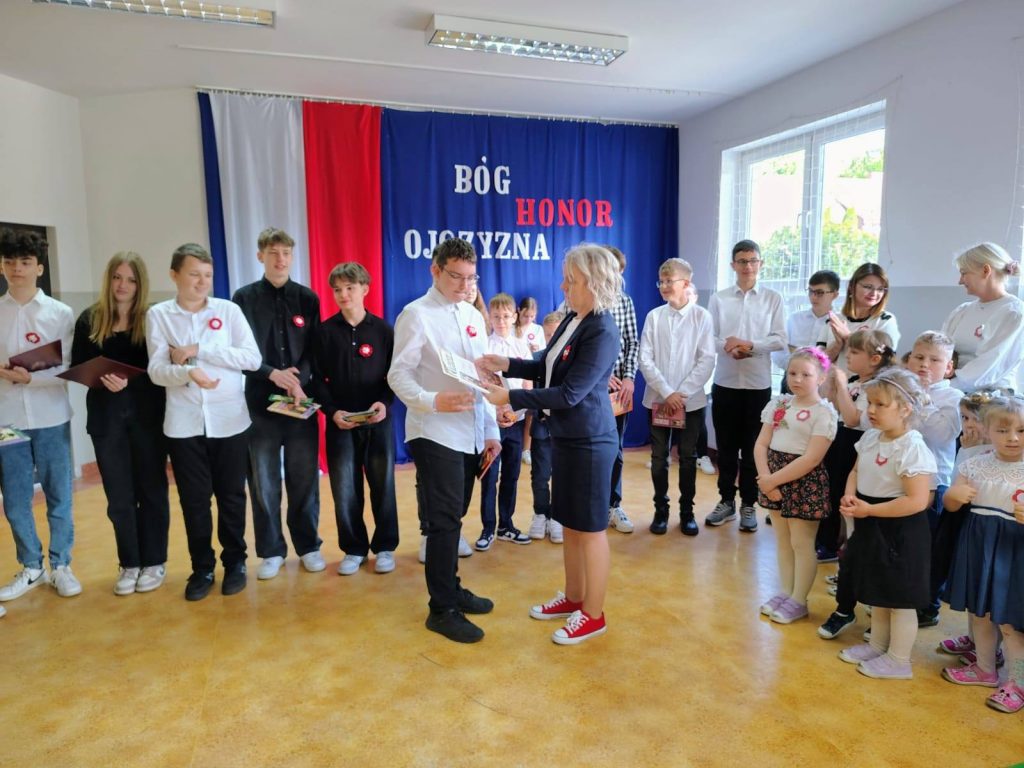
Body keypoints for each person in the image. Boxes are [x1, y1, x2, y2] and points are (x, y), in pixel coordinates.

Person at [481, 244, 622, 645]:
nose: (563, 286)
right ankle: (574, 597)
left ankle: (593, 614)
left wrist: (511, 397)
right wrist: (506, 364)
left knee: (590, 530)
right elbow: (546, 366)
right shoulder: (574, 319)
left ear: (593, 283)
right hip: (568, 437)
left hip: (591, 441)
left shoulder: (602, 329)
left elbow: (570, 393)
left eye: (571, 280)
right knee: (572, 524)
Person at [387, 237, 500, 644]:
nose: (465, 286)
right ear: (435, 271)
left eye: (472, 278)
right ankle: (441, 609)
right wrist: (432, 400)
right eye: (456, 277)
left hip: (470, 432)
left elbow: (483, 380)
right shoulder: (415, 315)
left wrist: (490, 431)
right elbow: (398, 375)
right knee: (443, 522)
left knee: (455, 517)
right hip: (434, 431)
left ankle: (451, 588)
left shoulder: (472, 315)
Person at [147, 243, 261, 601]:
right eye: (194, 274)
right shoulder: (159, 315)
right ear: (174, 275)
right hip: (184, 425)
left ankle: (235, 562)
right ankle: (202, 568)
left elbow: (252, 359)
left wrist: (200, 350)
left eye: (207, 275)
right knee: (194, 501)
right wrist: (187, 373)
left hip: (230, 420)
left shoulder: (228, 311)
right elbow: (156, 371)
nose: (201, 282)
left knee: (231, 496)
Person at [70, 252, 169, 595]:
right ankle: (129, 563)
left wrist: (133, 381)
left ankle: (154, 561)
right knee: (119, 497)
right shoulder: (90, 319)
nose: (122, 285)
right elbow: (79, 365)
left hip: (148, 418)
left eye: (130, 279)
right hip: (106, 420)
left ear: (140, 284)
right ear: (108, 280)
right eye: (117, 277)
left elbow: (161, 369)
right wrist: (100, 379)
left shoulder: (152, 318)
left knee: (152, 491)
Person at [231, 228, 324, 580]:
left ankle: (309, 546)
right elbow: (239, 353)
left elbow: (315, 350)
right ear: (260, 256)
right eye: (273, 253)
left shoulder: (307, 298)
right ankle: (271, 551)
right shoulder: (243, 299)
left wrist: (299, 381)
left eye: (286, 252)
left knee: (304, 479)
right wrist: (272, 374)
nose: (280, 259)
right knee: (264, 482)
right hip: (260, 406)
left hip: (300, 403)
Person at [836, 367, 936, 679]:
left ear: (905, 409)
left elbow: (917, 500)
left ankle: (899, 660)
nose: (871, 410)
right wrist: (850, 495)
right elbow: (856, 471)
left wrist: (870, 510)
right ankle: (878, 645)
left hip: (900, 530)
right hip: (871, 519)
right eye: (870, 403)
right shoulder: (870, 438)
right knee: (879, 590)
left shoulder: (912, 447)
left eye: (880, 404)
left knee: (900, 600)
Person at [0, 228, 80, 602]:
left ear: (39, 268)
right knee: (15, 499)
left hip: (52, 416)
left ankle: (61, 564)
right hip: (6, 421)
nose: (17, 268)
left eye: (25, 262)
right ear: (1, 266)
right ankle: (31, 566)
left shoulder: (60, 313)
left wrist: (29, 378)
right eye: (10, 261)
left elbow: (68, 367)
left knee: (58, 494)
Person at [942, 396, 1024, 713]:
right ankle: (985, 669)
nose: (1013, 438)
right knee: (981, 614)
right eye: (1003, 430)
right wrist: (953, 495)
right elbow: (951, 505)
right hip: (978, 546)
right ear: (987, 431)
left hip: (1014, 553)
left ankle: (1017, 683)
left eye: (1021, 430)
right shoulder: (975, 463)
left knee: (1011, 624)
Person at [314, 262, 397, 576]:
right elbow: (317, 380)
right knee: (345, 489)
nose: (343, 294)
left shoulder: (383, 331)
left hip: (377, 422)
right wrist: (331, 411)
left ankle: (385, 546)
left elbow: (395, 375)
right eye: (337, 289)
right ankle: (354, 548)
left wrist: (384, 403)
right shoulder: (324, 332)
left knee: (383, 485)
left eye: (350, 288)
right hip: (341, 423)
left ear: (365, 289)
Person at [817, 330, 895, 639]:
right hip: (845, 444)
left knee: (864, 527)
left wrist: (840, 384)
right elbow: (829, 402)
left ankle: (869, 595)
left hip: (858, 444)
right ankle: (846, 580)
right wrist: (836, 382)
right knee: (843, 510)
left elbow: (852, 419)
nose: (848, 357)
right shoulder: (853, 381)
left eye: (854, 353)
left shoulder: (876, 389)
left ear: (874, 359)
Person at [706, 239, 787, 532]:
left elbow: (780, 339)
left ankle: (749, 504)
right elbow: (710, 338)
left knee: (754, 449)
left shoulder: (773, 298)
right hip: (725, 382)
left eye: (753, 261)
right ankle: (726, 501)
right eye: (742, 261)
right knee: (726, 448)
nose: (748, 266)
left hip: (758, 386)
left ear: (760, 264)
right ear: (733, 265)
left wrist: (750, 345)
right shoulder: (719, 298)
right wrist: (730, 347)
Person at [755, 348, 837, 624]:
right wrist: (765, 479)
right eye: (792, 373)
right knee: (782, 540)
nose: (797, 379)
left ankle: (799, 599)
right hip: (772, 477)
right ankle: (786, 592)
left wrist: (772, 480)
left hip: (803, 481)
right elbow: (761, 444)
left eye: (806, 374)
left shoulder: (824, 413)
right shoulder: (779, 404)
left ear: (821, 378)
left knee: (801, 543)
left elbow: (812, 458)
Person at [637, 258, 715, 536]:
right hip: (658, 399)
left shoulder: (702, 317)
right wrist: (667, 392)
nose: (664, 286)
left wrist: (682, 393)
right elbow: (644, 358)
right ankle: (661, 510)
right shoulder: (654, 316)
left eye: (670, 281)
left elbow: (706, 360)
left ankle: (687, 512)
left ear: (686, 283)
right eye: (661, 281)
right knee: (659, 457)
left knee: (688, 456)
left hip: (690, 402)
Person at [906, 331, 963, 626]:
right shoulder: (902, 389)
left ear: (949, 367)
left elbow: (942, 435)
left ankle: (927, 604)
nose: (924, 364)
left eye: (934, 360)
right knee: (905, 543)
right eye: (918, 357)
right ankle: (902, 598)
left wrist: (924, 398)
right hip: (901, 479)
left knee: (929, 547)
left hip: (934, 482)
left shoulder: (954, 397)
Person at [476, 293, 532, 550]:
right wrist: (497, 412)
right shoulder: (485, 346)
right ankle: (487, 528)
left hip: (516, 420)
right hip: (493, 424)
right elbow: (482, 385)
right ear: (490, 316)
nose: (501, 321)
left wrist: (515, 409)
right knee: (490, 476)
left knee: (512, 474)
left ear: (514, 317)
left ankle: (505, 525)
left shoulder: (521, 346)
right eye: (496, 316)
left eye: (506, 316)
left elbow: (528, 382)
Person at [942, 242, 1024, 393]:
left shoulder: (1014, 313)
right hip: (952, 389)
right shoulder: (962, 311)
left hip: (991, 398)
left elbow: (990, 367)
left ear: (985, 271)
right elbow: (940, 351)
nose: (960, 281)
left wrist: (944, 388)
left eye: (964, 273)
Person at [604, 245, 640, 534]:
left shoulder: (624, 301)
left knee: (615, 449)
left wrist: (628, 378)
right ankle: (591, 505)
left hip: (618, 391)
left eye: (617, 270)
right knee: (590, 449)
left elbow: (631, 343)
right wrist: (599, 376)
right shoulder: (578, 300)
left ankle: (613, 505)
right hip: (589, 389)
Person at [526, 311, 565, 543]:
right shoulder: (537, 358)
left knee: (561, 475)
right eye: (548, 334)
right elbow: (532, 392)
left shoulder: (572, 359)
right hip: (541, 428)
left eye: (556, 333)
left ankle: (558, 517)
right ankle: (540, 513)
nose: (552, 338)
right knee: (540, 475)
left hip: (563, 431)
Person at [771, 270, 841, 390]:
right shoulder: (794, 319)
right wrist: (796, 368)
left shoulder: (839, 323)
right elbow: (778, 351)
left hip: (824, 384)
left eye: (820, 293)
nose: (813, 297)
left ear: (834, 294)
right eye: (811, 291)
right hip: (792, 381)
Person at [822, 262, 900, 369]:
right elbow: (817, 364)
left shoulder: (885, 320)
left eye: (880, 289)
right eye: (868, 287)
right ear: (851, 286)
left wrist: (848, 337)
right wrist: (837, 345)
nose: (874, 293)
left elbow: (884, 359)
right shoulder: (835, 320)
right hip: (835, 379)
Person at [516, 295, 544, 467]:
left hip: (531, 374)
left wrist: (535, 349)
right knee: (510, 412)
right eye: (525, 315)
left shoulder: (538, 329)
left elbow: (544, 352)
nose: (528, 319)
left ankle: (526, 449)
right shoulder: (512, 327)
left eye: (532, 316)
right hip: (515, 375)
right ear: (518, 311)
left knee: (530, 414)